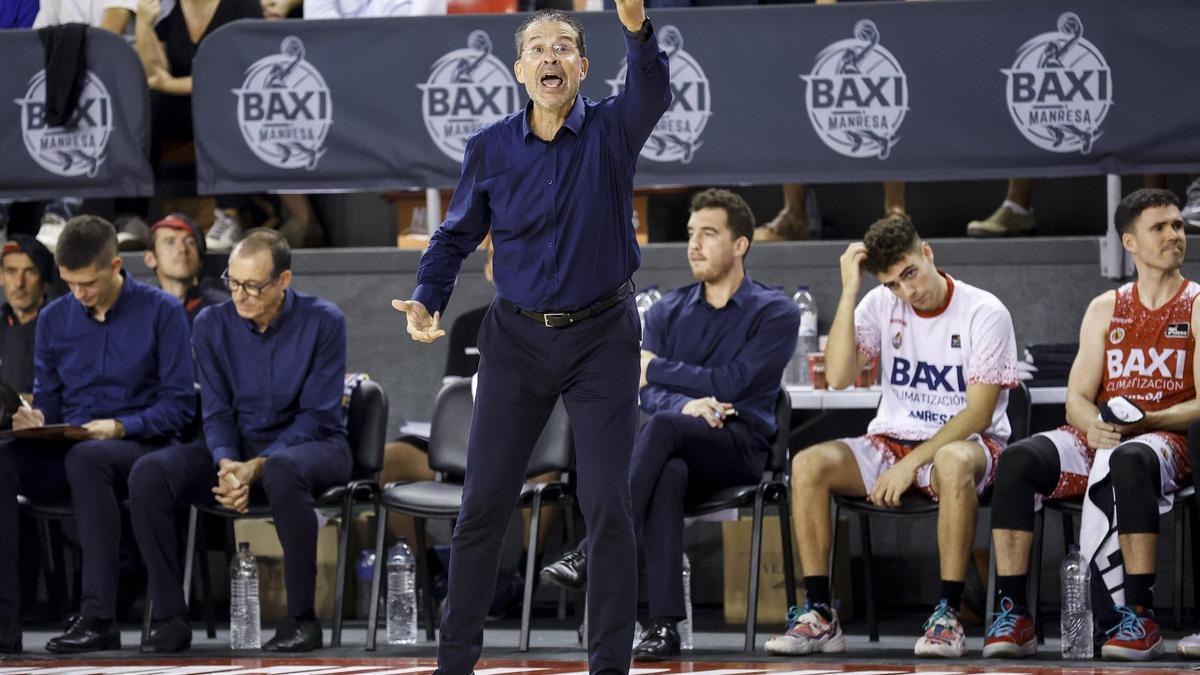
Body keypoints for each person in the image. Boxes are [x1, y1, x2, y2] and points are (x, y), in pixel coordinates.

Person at [390, 2, 669, 671]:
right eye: (538, 48)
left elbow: (652, 89)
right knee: (482, 503)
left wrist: (637, 27)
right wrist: (427, 298)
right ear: (519, 70)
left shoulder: (611, 129)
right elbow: (455, 234)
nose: (551, 57)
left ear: (582, 66)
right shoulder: (491, 145)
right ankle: (454, 662)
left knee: (607, 505)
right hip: (515, 339)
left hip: (602, 336)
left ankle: (608, 665)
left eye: (564, 46)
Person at [541, 188, 799, 659]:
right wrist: (685, 405)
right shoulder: (665, 311)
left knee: (658, 430)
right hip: (680, 442)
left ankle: (592, 550)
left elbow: (736, 382)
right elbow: (641, 391)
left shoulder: (776, 311)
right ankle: (664, 627)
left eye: (709, 234)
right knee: (668, 469)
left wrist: (656, 368)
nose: (694, 245)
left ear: (740, 245)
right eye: (690, 234)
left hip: (740, 445)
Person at [764, 214, 1018, 658]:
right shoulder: (881, 304)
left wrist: (913, 461)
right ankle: (820, 614)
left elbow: (978, 413)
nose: (907, 291)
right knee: (807, 464)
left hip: (970, 446)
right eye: (892, 284)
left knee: (953, 461)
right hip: (892, 440)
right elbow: (840, 377)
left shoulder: (985, 311)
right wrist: (849, 289)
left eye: (910, 274)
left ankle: (948, 616)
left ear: (928, 253)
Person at [985, 188, 1196, 661]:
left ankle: (1140, 616)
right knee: (1017, 460)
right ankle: (1014, 615)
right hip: (1102, 432)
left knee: (1130, 458)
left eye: (1178, 225)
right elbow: (1076, 400)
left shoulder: (1197, 304)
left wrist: (1148, 420)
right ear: (1130, 242)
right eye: (1159, 228)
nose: (1174, 235)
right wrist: (1094, 423)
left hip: (1167, 439)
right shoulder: (1106, 307)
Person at [130, 228, 349, 653]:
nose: (240, 294)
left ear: (283, 281)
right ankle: (171, 617)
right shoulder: (211, 323)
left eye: (253, 285)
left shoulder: (324, 320)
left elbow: (317, 416)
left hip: (317, 447)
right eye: (232, 282)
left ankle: (301, 619)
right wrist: (230, 464)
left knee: (284, 469)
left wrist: (260, 464)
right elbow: (216, 412)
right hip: (238, 450)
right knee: (149, 473)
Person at [0, 216, 195, 654]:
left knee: (87, 459)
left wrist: (123, 425)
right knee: (4, 459)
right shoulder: (54, 319)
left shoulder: (162, 311)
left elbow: (179, 406)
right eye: (69, 284)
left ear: (116, 266)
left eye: (88, 283)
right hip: (73, 441)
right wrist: (36, 420)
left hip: (140, 443)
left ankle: (99, 616)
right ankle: (4, 620)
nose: (79, 294)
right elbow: (52, 398)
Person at [144, 213, 230, 323]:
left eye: (190, 242)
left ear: (200, 259)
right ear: (150, 258)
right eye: (170, 242)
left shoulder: (222, 308)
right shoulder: (140, 312)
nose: (182, 249)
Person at [0, 235, 55, 397]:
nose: (19, 283)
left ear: (45, 280)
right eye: (11, 271)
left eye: (30, 272)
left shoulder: (64, 327)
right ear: (1, 276)